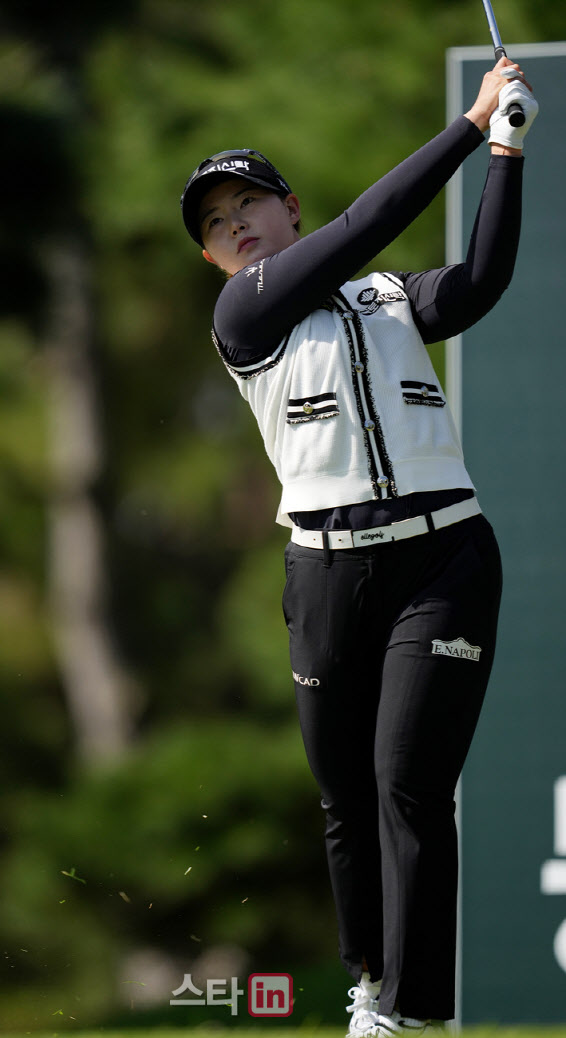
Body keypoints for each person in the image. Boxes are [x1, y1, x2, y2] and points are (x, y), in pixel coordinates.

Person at [180, 58, 537, 1037]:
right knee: (345, 798)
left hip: (443, 559)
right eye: (216, 223)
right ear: (211, 257)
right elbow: (361, 227)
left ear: (288, 209)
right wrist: (466, 127)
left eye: (250, 204)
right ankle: (370, 981)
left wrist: (505, 152)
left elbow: (477, 284)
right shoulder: (243, 315)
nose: (236, 225)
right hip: (327, 571)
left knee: (407, 786)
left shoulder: (387, 298)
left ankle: (409, 1016)